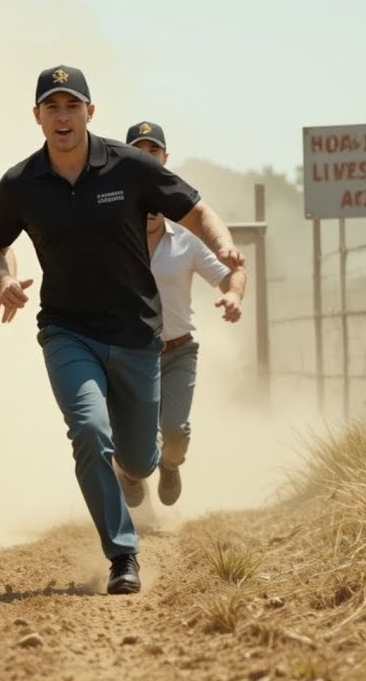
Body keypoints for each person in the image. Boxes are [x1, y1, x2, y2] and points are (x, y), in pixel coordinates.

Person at [0, 66, 245, 595]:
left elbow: (198, 212)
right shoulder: (21, 183)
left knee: (141, 458)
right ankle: (123, 555)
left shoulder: (130, 167)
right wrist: (2, 278)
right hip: (67, 331)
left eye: (71, 105)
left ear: (90, 113)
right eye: (51, 107)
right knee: (90, 432)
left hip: (136, 333)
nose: (62, 116)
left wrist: (224, 246)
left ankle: (134, 469)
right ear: (37, 117)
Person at [124, 120, 248, 507]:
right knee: (128, 438)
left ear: (164, 160)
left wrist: (233, 297)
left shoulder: (188, 240)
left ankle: (171, 464)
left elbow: (233, 272)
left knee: (174, 432)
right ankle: (126, 469)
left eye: (153, 152)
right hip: (127, 353)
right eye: (137, 153)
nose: (145, 161)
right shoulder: (109, 236)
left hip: (177, 352)